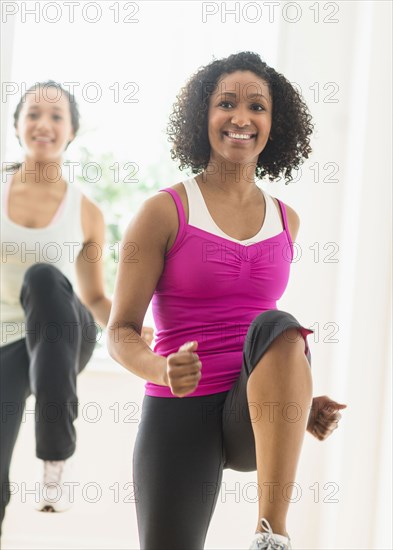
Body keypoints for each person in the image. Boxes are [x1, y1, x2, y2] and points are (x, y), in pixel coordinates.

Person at [107, 52, 347, 550]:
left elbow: (275, 351)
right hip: (180, 408)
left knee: (279, 326)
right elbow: (119, 331)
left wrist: (295, 402)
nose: (242, 117)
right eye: (227, 103)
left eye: (257, 106)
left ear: (273, 124)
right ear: (204, 117)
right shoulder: (164, 211)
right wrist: (161, 369)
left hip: (246, 417)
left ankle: (271, 535)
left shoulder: (287, 220)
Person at [0, 80, 153, 533]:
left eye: (55, 117)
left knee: (44, 277)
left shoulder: (86, 211)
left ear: (72, 131)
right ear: (17, 125)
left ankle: (55, 462)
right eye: (33, 115)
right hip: (9, 347)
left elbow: (94, 297)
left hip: (65, 334)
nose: (43, 125)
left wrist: (129, 327)